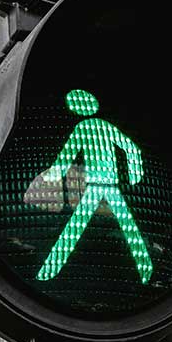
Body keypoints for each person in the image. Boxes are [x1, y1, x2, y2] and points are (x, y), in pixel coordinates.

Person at [36, 89, 153, 284]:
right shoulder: (106, 126)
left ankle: (50, 269)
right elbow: (131, 148)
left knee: (76, 226)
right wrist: (135, 174)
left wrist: (54, 176)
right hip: (110, 184)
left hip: (97, 186)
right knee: (128, 227)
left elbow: (67, 154)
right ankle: (145, 269)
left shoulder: (83, 127)